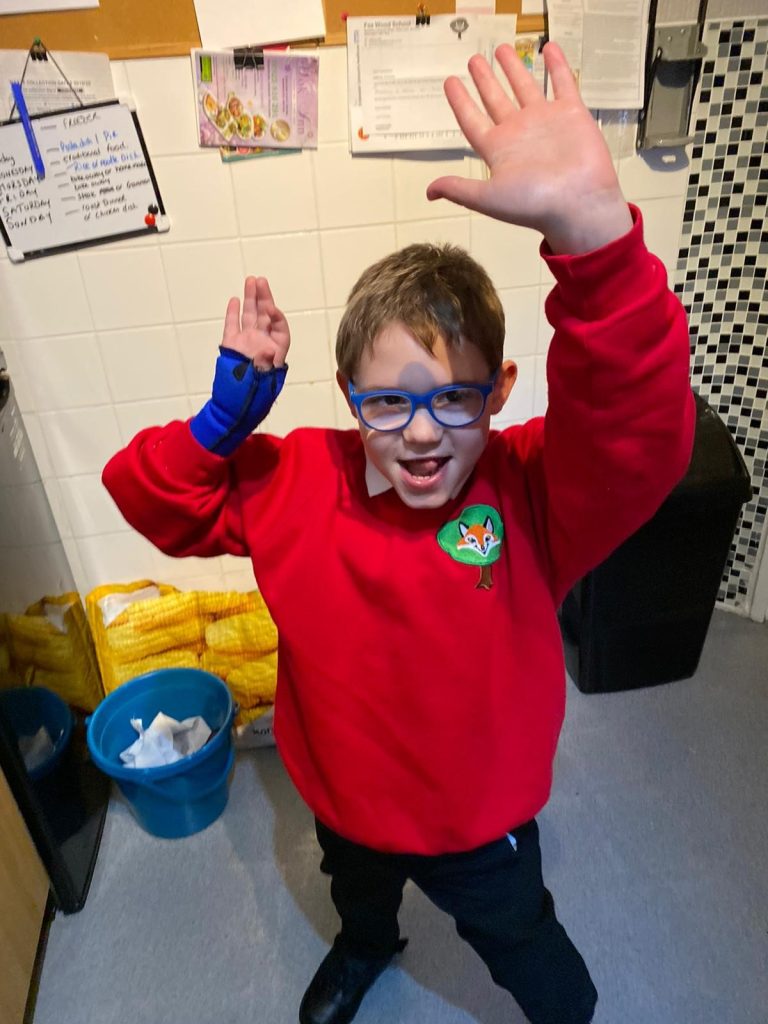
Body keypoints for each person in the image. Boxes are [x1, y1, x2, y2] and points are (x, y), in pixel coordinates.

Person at [103, 41, 695, 1024]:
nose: (421, 433)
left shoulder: (532, 488)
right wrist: (217, 427)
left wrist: (598, 242)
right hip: (343, 795)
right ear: (347, 399)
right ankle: (371, 941)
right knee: (359, 894)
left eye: (454, 398)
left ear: (499, 393)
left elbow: (642, 436)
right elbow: (152, 501)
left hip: (480, 818)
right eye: (388, 404)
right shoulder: (298, 477)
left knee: (523, 940)